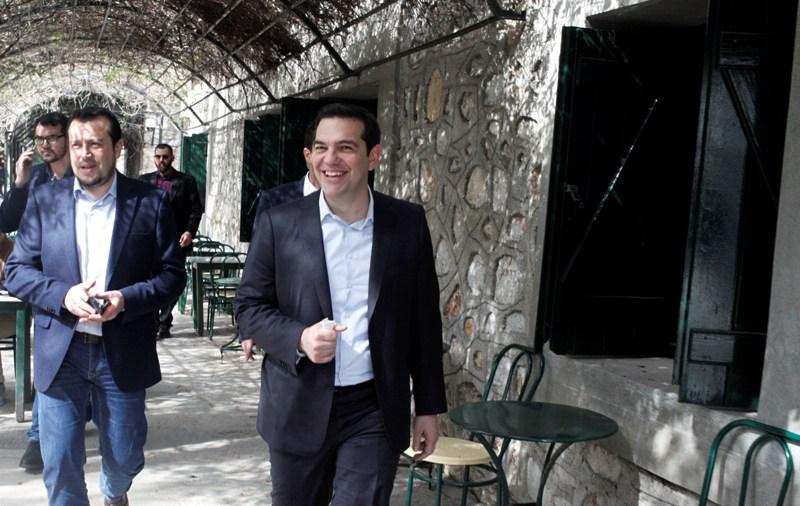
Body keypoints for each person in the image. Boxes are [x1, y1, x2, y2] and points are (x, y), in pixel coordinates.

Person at [235, 103, 446, 505]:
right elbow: (248, 308)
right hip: (297, 403)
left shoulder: (407, 223)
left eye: (345, 147)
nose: (330, 159)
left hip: (374, 408)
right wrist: (299, 338)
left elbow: (423, 321)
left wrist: (428, 407)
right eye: (321, 147)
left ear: (373, 156)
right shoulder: (280, 223)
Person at [4, 107, 186, 506]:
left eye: (95, 144)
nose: (84, 154)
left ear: (117, 148)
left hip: (121, 350)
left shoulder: (150, 202)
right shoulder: (45, 200)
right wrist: (62, 295)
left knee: (125, 458)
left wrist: (127, 299)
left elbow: (172, 275)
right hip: (62, 351)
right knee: (60, 465)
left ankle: (114, 492)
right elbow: (16, 271)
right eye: (76, 145)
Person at [0, 112, 73, 474]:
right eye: (40, 139)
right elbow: (6, 223)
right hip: (41, 281)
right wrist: (20, 182)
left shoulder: (82, 175)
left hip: (74, 276)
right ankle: (38, 437)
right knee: (48, 355)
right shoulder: (37, 177)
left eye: (53, 137)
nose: (45, 145)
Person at [243, 125, 320, 361]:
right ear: (307, 155)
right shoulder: (276, 201)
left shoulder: (359, 206)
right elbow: (258, 267)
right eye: (322, 149)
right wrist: (250, 328)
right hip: (286, 327)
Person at [139, 144, 203, 339]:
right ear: (154, 158)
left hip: (176, 242)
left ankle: (165, 320)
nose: (161, 160)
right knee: (150, 281)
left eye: (165, 157)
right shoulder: (144, 181)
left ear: (172, 158)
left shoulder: (186, 181)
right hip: (150, 243)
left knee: (175, 282)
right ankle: (154, 321)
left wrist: (189, 232)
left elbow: (196, 210)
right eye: (158, 157)